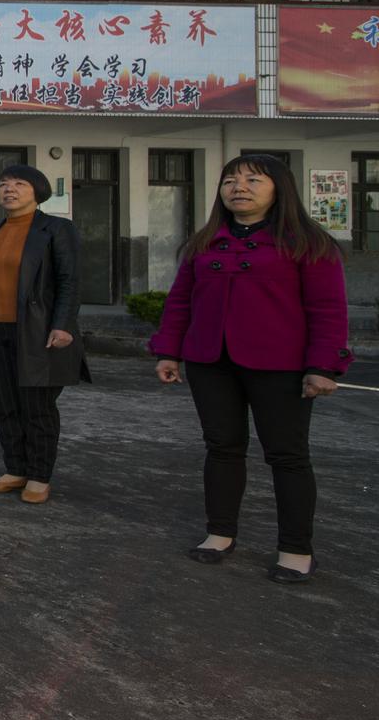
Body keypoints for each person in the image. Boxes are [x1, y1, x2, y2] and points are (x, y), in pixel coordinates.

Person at [149, 154, 351, 584]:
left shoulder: (308, 243)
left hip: (280, 365)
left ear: (280, 189)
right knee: (222, 447)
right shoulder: (205, 243)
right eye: (230, 181)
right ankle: (220, 533)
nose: (238, 188)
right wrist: (169, 351)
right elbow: (180, 301)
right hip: (211, 362)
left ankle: (296, 548)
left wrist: (322, 366)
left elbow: (328, 310)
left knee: (287, 456)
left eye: (252, 180)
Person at [0, 164, 87, 504]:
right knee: (5, 405)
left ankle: (39, 477)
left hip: (38, 332)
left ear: (38, 191)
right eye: (3, 184)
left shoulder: (56, 228)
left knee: (37, 408)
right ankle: (15, 469)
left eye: (19, 184)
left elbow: (70, 282)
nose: (8, 189)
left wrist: (62, 325)